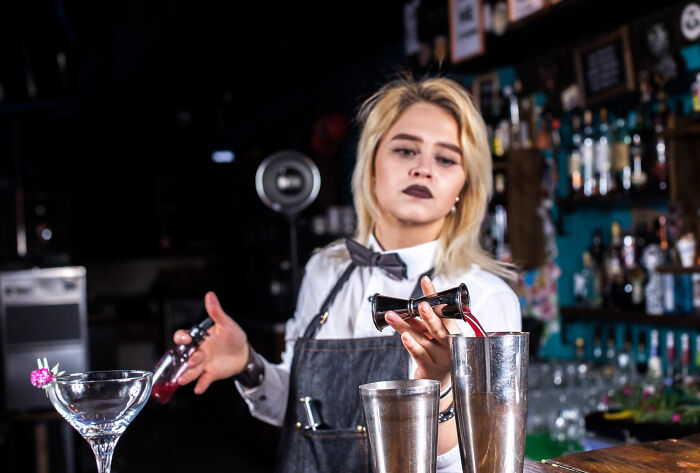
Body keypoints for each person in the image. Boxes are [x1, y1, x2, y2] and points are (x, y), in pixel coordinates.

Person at [173, 76, 521, 472]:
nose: (423, 169)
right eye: (406, 150)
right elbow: (297, 409)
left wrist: (442, 385)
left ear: (463, 187)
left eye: (446, 159)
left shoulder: (483, 297)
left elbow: (481, 463)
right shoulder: (324, 269)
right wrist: (247, 364)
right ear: (371, 165)